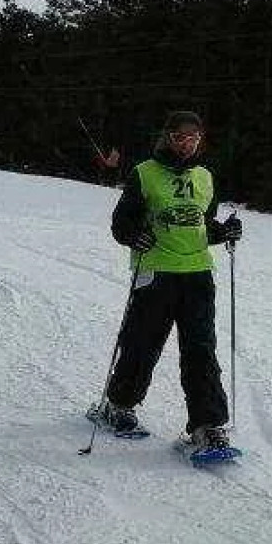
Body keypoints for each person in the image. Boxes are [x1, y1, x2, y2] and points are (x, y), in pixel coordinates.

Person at [86, 111, 241, 448]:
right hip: (155, 272)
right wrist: (133, 235)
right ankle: (119, 404)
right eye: (181, 137)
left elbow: (202, 224)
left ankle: (208, 425)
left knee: (201, 350)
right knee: (142, 342)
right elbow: (122, 222)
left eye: (194, 138)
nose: (188, 144)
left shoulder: (204, 177)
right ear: (168, 137)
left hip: (197, 274)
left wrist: (224, 232)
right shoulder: (145, 173)